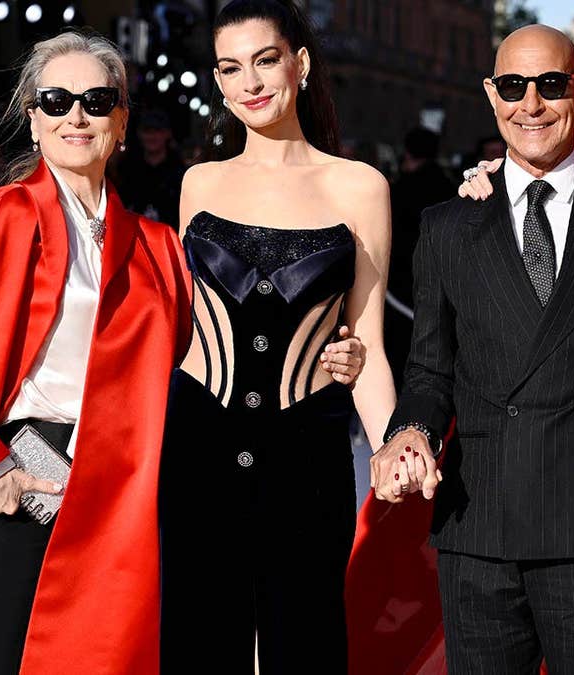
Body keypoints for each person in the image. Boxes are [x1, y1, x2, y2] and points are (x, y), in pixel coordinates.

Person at [0, 31, 193, 674]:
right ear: (33, 117)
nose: (76, 116)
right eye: (56, 100)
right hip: (27, 475)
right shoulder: (0, 219)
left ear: (122, 120)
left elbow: (190, 362)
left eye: (96, 99)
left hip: (119, 492)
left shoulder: (158, 245)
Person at [375, 24, 574, 674]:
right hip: (479, 526)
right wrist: (411, 430)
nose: (530, 104)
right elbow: (430, 369)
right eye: (513, 85)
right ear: (491, 94)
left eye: (549, 85)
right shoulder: (448, 226)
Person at [158, 1, 395, 672]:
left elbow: (368, 341)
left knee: (307, 642)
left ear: (301, 63)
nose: (251, 83)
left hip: (307, 452)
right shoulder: (197, 183)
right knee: (200, 642)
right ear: (218, 80)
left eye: (265, 60)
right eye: (231, 68)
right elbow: (185, 326)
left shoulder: (360, 187)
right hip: (198, 445)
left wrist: (392, 446)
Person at [385, 126, 454, 387]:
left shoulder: (400, 189)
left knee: (400, 355)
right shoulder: (449, 186)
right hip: (438, 283)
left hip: (401, 287)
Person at [116, 108, 187, 227]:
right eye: (147, 131)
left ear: (167, 133)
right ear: (139, 133)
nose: (152, 136)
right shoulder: (129, 169)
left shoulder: (179, 172)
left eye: (157, 131)